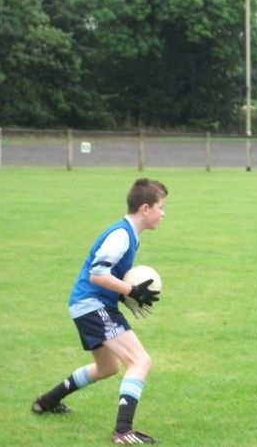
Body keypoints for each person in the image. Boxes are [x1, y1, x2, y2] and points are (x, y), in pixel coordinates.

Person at [32, 178, 168, 445]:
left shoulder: (131, 234)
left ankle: (46, 401)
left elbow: (107, 276)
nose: (163, 213)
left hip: (89, 304)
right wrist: (131, 290)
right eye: (160, 207)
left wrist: (126, 295)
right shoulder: (121, 235)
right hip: (92, 304)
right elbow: (97, 274)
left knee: (107, 367)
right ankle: (123, 431)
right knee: (140, 361)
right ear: (145, 208)